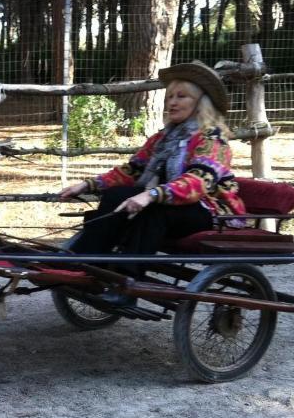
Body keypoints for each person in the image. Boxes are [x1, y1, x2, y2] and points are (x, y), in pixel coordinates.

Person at [58, 61, 246, 303]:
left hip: (209, 210)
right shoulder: (163, 138)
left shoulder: (212, 139)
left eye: (182, 96)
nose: (172, 102)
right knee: (116, 196)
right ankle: (84, 262)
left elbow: (197, 183)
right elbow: (132, 170)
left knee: (153, 212)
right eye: (170, 97)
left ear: (201, 103)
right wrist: (89, 185)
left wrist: (150, 195)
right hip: (171, 203)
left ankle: (128, 285)